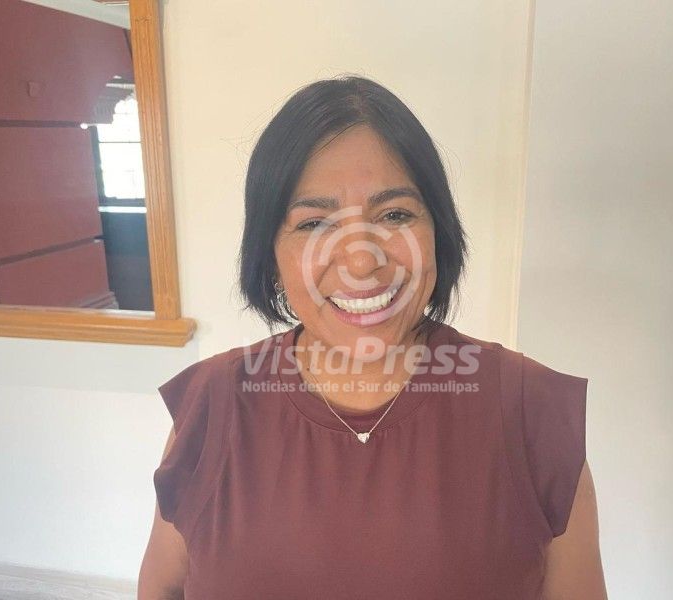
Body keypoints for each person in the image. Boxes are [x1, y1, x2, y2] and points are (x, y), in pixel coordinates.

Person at [138, 75, 607, 599]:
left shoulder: (531, 411)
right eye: (314, 223)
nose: (361, 261)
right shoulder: (211, 404)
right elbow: (161, 588)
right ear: (270, 256)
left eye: (395, 215)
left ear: (438, 232)